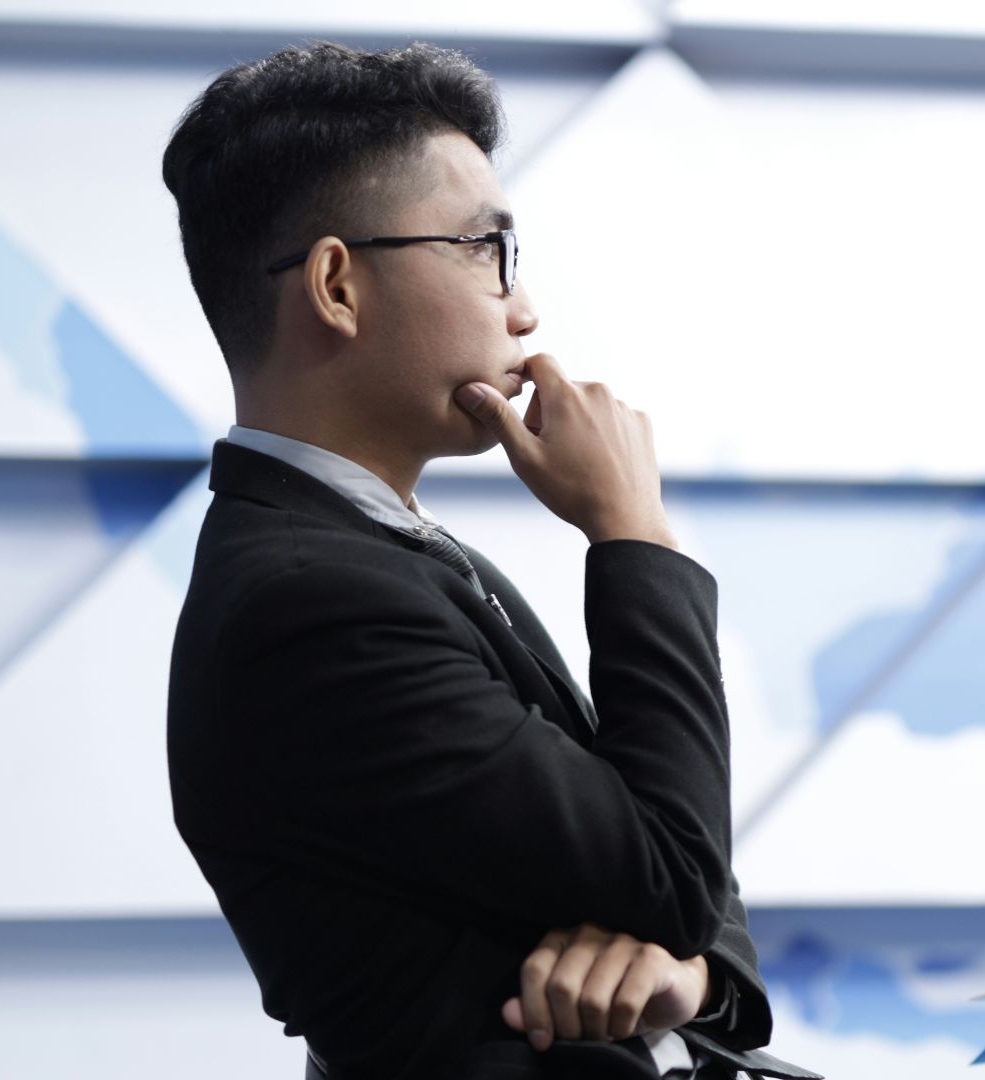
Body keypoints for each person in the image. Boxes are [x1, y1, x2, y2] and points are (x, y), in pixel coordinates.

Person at [161, 41, 819, 1080]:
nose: (524, 310)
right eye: (486, 249)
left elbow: (668, 857)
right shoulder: (315, 607)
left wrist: (689, 978)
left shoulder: (388, 556)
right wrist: (631, 531)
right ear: (337, 284)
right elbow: (678, 870)